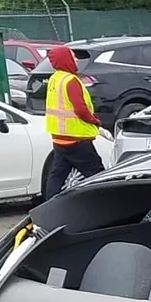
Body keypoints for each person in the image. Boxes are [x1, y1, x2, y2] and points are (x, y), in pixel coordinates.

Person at [41, 46, 105, 197]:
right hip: (76, 138)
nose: (76, 60)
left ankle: (50, 204)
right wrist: (95, 121)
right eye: (73, 56)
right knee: (97, 174)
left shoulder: (54, 79)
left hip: (59, 137)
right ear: (66, 60)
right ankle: (105, 202)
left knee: (58, 174)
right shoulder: (71, 81)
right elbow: (81, 109)